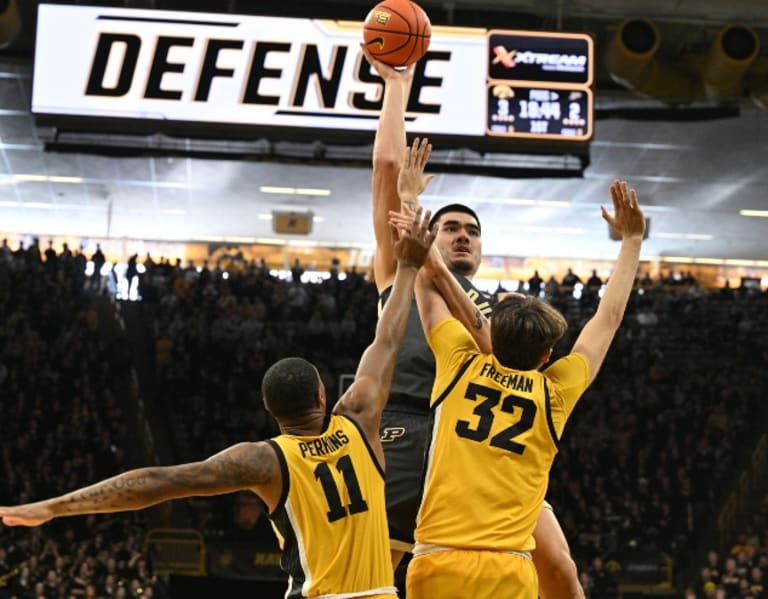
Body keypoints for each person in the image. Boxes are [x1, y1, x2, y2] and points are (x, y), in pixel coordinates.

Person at [0, 209, 437, 599]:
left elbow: (158, 481)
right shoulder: (359, 419)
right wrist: (407, 265)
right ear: (324, 393)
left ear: (270, 410)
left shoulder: (266, 461)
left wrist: (55, 506)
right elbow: (388, 338)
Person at [362, 43, 585, 599]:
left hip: (485, 445)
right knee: (374, 578)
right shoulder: (403, 267)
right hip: (408, 427)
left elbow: (508, 358)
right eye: (451, 226)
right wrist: (396, 85)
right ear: (425, 233)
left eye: (473, 229)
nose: (463, 233)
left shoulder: (503, 309)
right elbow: (388, 168)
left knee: (559, 566)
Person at [404, 180, 645, 599]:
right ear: (549, 354)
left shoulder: (460, 363)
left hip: (436, 561)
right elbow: (608, 318)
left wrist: (425, 238)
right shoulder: (555, 392)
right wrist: (633, 240)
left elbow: (425, 286)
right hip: (509, 566)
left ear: (490, 332)